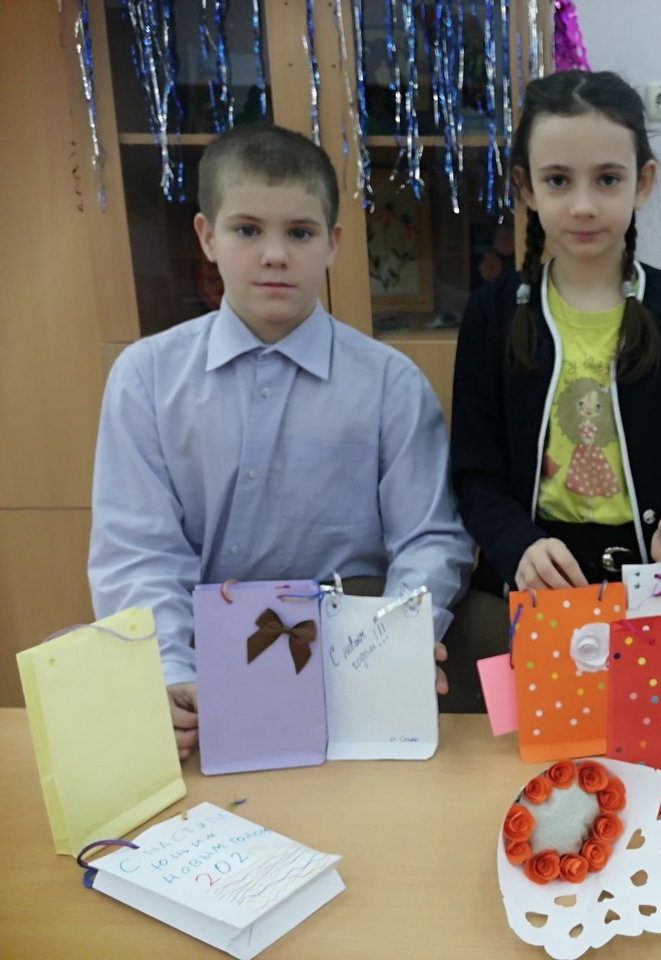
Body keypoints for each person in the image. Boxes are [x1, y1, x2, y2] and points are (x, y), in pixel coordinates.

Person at [89, 123, 473, 757]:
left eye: (299, 233)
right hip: (201, 678)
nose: (274, 255)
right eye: (247, 230)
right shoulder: (146, 378)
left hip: (354, 674)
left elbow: (430, 538)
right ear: (206, 236)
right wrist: (168, 671)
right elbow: (138, 551)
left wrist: (396, 644)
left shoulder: (390, 384)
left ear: (333, 243)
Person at [451, 70, 661, 594]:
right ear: (527, 186)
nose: (583, 205)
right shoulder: (491, 314)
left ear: (643, 183)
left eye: (607, 179)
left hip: (657, 585)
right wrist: (517, 545)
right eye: (558, 180)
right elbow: (476, 473)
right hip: (531, 583)